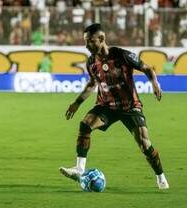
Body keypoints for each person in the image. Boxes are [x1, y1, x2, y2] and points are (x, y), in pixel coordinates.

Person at [59, 23, 169, 189]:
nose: (86, 45)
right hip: (106, 106)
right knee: (85, 124)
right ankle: (79, 168)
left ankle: (160, 176)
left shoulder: (122, 55)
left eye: (90, 41)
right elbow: (92, 84)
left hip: (129, 106)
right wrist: (77, 103)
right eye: (85, 42)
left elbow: (147, 68)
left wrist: (154, 83)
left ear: (101, 39)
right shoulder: (91, 62)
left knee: (145, 145)